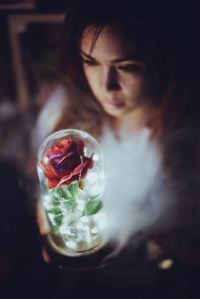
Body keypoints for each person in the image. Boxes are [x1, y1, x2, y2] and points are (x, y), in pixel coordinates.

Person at [35, 0, 200, 291]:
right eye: (90, 61)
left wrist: (144, 235)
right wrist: (52, 225)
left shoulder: (188, 137)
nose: (106, 85)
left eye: (127, 66)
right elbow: (47, 193)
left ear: (165, 61)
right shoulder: (65, 112)